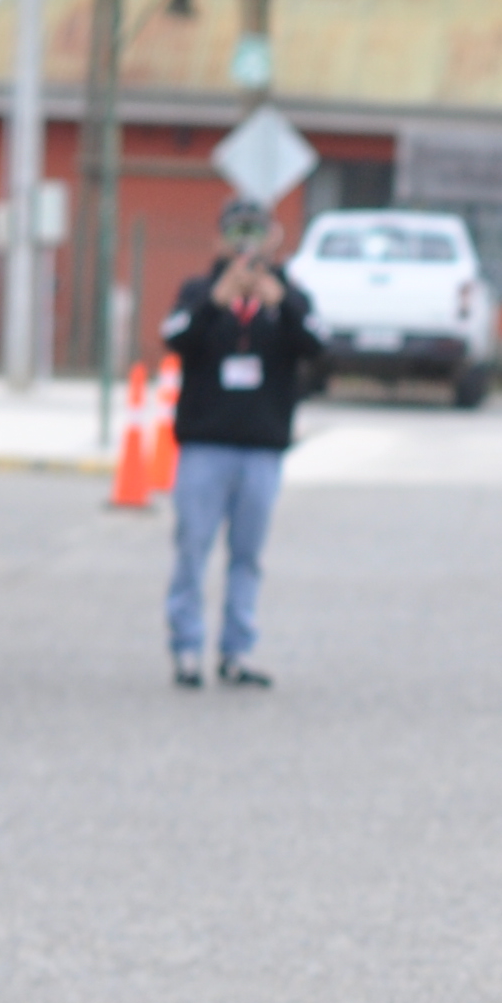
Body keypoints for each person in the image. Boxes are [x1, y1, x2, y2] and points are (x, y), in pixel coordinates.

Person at [158, 200, 324, 689]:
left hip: (262, 448)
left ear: (276, 239)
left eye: (257, 232)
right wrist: (215, 301)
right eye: (235, 232)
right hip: (205, 445)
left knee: (248, 555)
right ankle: (186, 649)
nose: (245, 243)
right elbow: (175, 339)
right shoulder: (198, 291)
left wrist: (282, 304)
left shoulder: (289, 294)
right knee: (192, 548)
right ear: (218, 240)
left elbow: (317, 346)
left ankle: (237, 651)